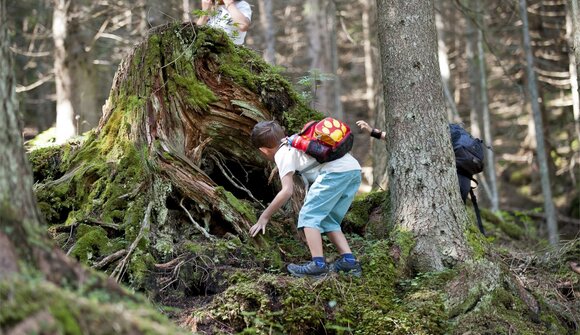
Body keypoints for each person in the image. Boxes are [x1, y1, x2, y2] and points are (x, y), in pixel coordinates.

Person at [250, 120, 363, 278]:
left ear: (263, 150)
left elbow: (287, 191)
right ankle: (350, 262)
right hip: (353, 170)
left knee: (308, 216)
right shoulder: (295, 141)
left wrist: (264, 217)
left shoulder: (282, 153)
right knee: (328, 219)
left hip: (334, 174)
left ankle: (318, 265)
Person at [356, 120, 472, 203]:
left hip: (454, 182)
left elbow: (401, 139)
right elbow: (402, 139)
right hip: (464, 178)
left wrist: (373, 132)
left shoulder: (436, 137)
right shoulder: (451, 138)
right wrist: (372, 132)